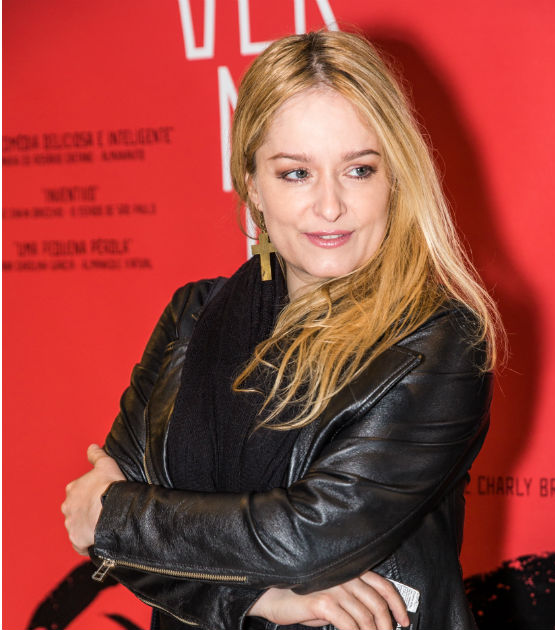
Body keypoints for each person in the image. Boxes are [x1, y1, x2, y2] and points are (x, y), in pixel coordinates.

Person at [62, 29, 503, 630]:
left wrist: (116, 518)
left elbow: (309, 537)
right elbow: (107, 527)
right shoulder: (195, 315)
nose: (330, 205)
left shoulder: (439, 342)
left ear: (395, 179)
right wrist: (259, 599)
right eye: (296, 173)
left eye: (359, 170)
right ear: (253, 184)